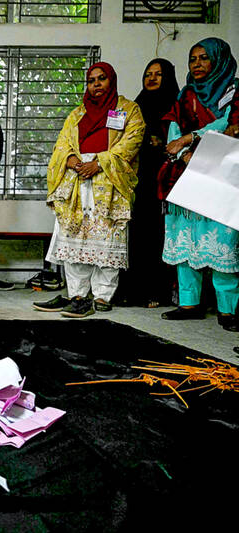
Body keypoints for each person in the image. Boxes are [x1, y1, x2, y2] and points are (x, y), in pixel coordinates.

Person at [35, 62, 144, 318]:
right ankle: (77, 294)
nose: (96, 84)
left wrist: (99, 163)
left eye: (101, 79)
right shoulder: (77, 113)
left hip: (109, 180)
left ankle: (103, 296)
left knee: (107, 237)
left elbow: (133, 140)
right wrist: (72, 161)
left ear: (112, 81)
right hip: (76, 181)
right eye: (91, 80)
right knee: (74, 235)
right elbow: (62, 144)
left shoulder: (128, 109)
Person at [158, 38, 239, 330]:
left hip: (222, 174)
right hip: (187, 172)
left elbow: (229, 125)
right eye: (193, 59)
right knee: (186, 236)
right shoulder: (184, 94)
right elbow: (173, 130)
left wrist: (194, 142)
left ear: (219, 59)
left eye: (204, 58)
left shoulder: (235, 91)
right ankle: (189, 303)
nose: (198, 64)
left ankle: (228, 309)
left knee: (222, 241)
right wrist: (183, 153)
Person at [118, 58, 179, 308]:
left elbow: (180, 137)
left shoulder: (177, 104)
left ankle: (157, 291)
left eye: (158, 74)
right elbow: (119, 138)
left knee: (160, 234)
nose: (151, 78)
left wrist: (161, 144)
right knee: (136, 235)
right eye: (147, 74)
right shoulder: (134, 107)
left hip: (166, 179)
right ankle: (133, 290)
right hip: (137, 179)